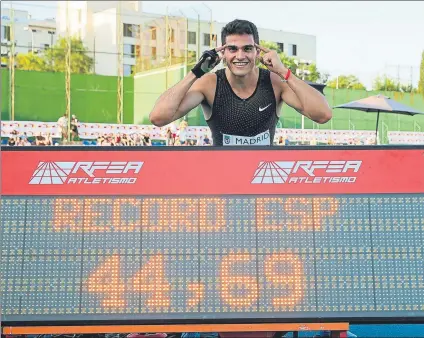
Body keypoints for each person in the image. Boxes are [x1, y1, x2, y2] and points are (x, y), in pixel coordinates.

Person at [149, 19, 332, 146]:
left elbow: (323, 115)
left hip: (263, 179)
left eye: (247, 48)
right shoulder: (209, 84)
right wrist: (196, 72)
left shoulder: (276, 82)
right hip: (223, 181)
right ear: (223, 52)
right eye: (232, 49)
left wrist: (284, 72)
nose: (240, 56)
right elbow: (158, 117)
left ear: (257, 51)